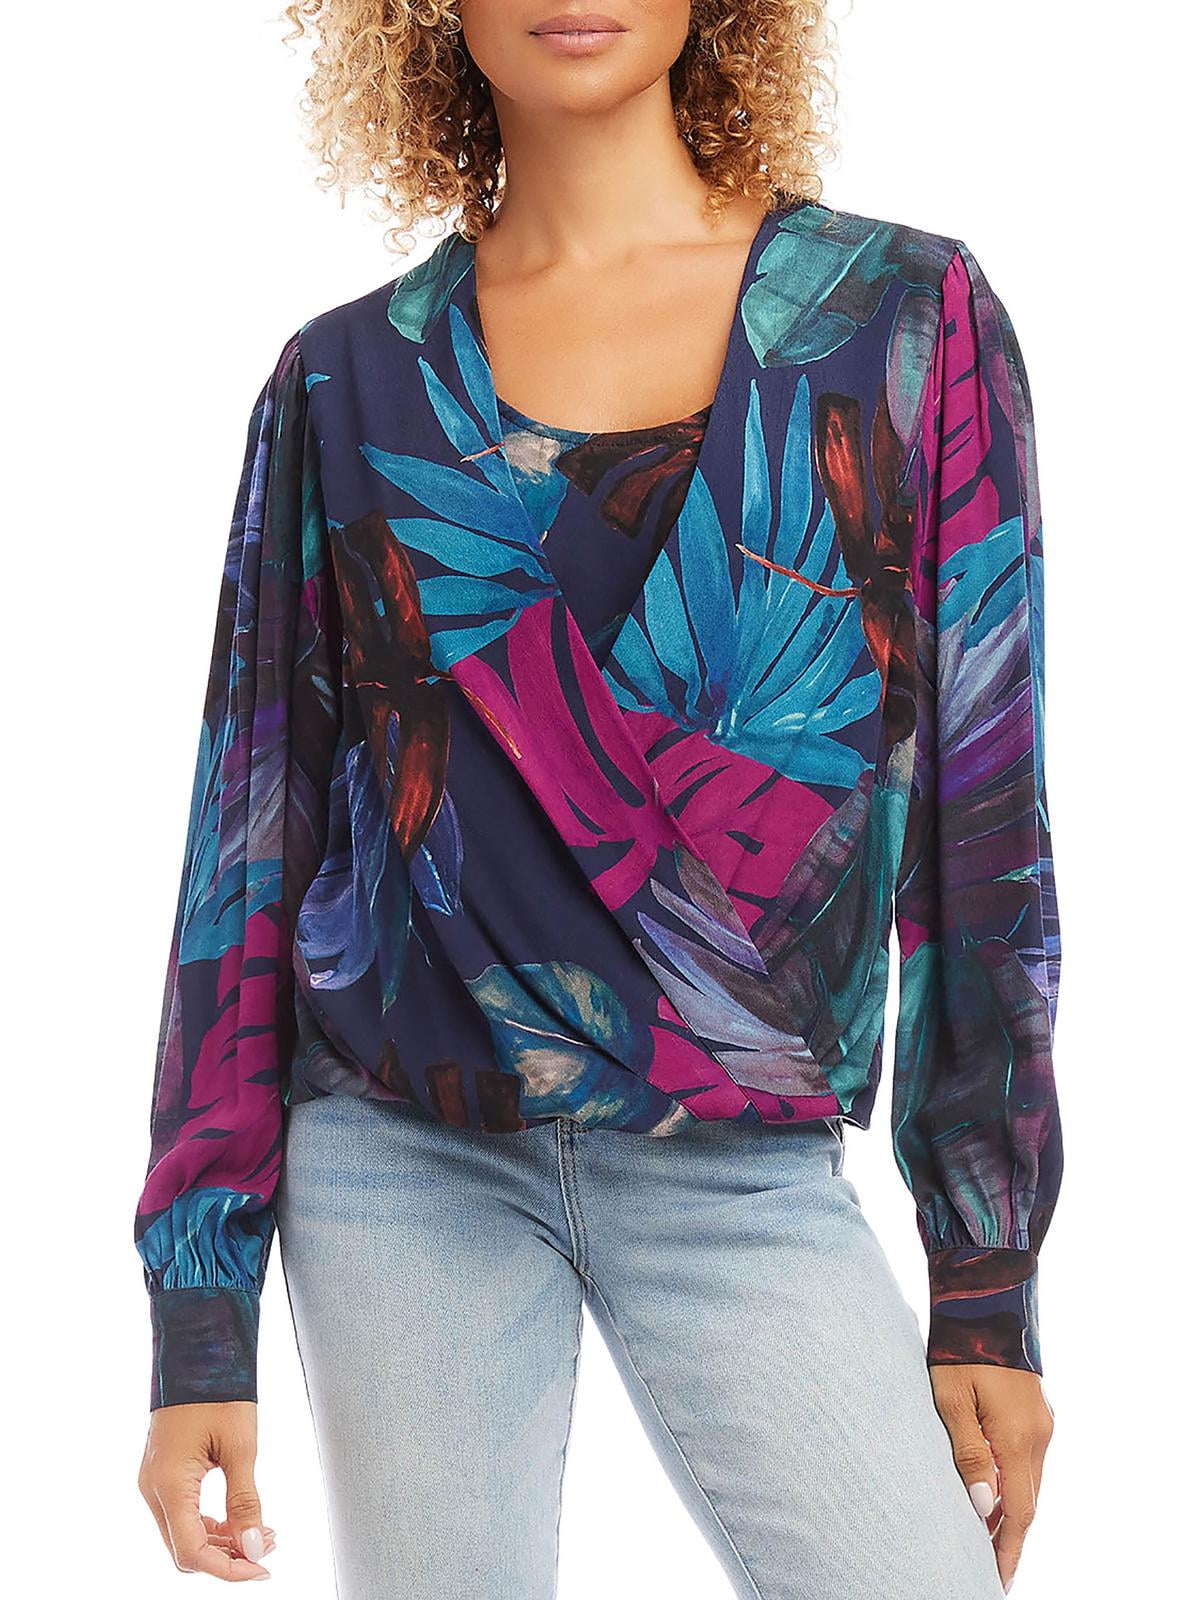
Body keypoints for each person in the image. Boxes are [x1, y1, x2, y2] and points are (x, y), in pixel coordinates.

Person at [134, 3, 1063, 1596]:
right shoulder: (343, 382)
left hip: (744, 1170)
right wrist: (199, 1317)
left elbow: (986, 817)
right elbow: (248, 840)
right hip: (401, 1160)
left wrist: (985, 1275)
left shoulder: (903, 320)